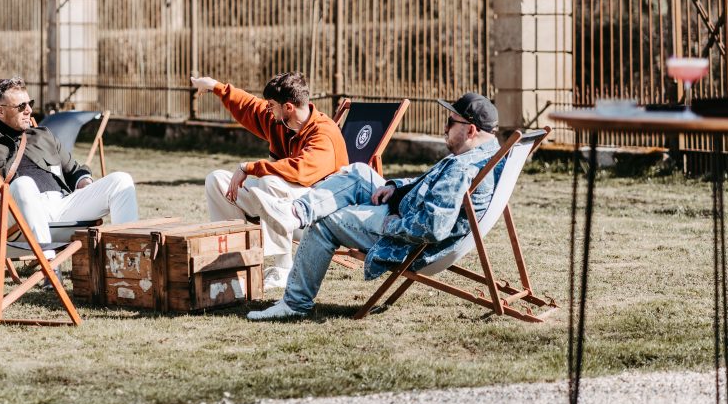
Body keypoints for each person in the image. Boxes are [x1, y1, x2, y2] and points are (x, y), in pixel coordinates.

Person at [247, 92, 502, 320]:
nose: (444, 128)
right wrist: (395, 187)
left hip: (406, 238)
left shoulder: (462, 168)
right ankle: (295, 213)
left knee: (327, 222)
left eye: (450, 122)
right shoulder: (483, 154)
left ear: (470, 130)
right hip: (404, 209)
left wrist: (392, 223)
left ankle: (295, 303)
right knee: (358, 172)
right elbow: (428, 184)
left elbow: (432, 227)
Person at [191, 71, 348, 289]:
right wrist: (214, 85)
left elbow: (300, 170)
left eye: (272, 105)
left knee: (269, 181)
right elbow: (248, 106)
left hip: (316, 210)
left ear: (288, 107)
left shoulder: (324, 133)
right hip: (283, 199)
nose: (268, 109)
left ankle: (283, 269)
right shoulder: (280, 121)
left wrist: (250, 168)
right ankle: (232, 261)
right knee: (217, 180)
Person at [0, 77, 139, 267]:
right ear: (0, 111)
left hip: (61, 205)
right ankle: (49, 266)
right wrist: (6, 197)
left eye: (29, 104)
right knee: (24, 184)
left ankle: (129, 263)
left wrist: (85, 185)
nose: (29, 110)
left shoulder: (43, 135)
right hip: (13, 216)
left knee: (121, 180)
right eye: (21, 106)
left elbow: (75, 171)